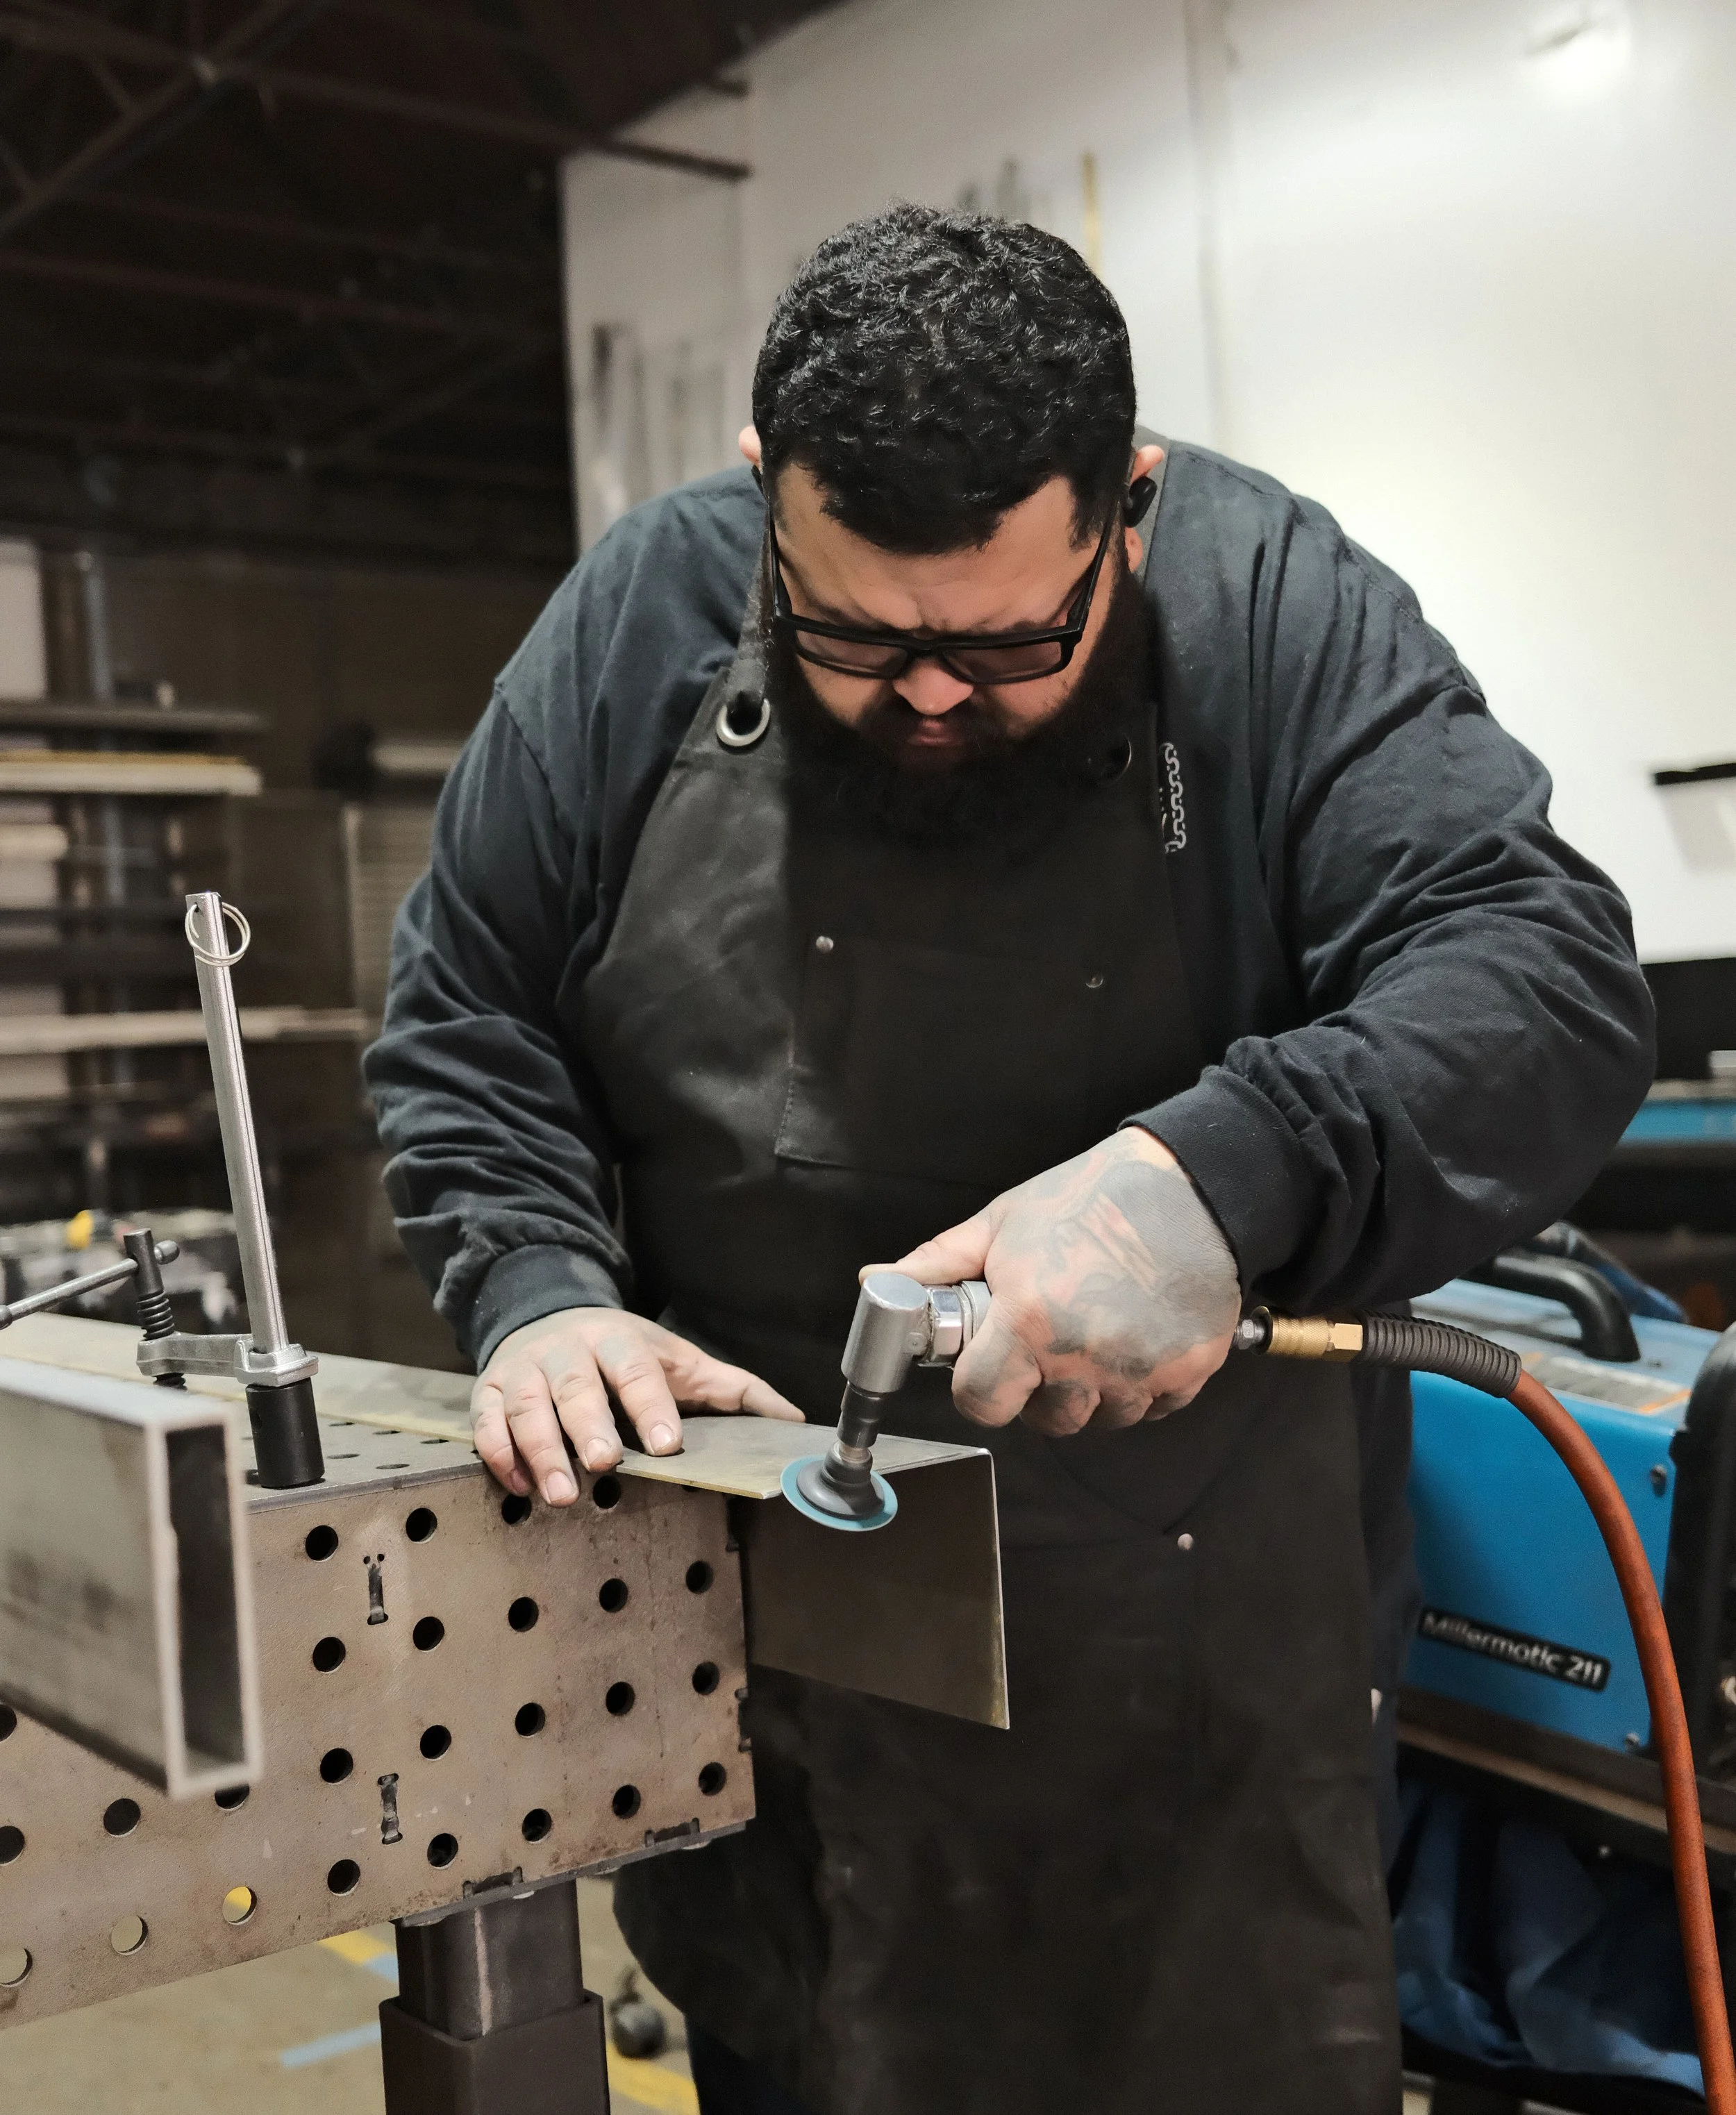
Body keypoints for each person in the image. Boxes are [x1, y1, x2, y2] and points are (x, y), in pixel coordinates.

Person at [366, 205, 1654, 2114]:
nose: (932, 695)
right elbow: (466, 1019)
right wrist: (539, 1295)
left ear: (1125, 504)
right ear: (762, 501)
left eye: (1006, 638)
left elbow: (1538, 977)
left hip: (1192, 1699)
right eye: (854, 635)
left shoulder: (1275, 608)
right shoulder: (644, 616)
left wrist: (1222, 1176)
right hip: (770, 1682)